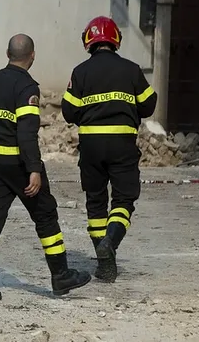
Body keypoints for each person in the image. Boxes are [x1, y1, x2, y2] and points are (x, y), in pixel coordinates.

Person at [0, 34, 92, 301]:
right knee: (45, 215)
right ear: (32, 56)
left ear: (8, 53)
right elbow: (26, 133)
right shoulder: (27, 88)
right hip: (19, 165)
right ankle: (60, 275)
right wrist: (33, 169)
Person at [60, 16, 157, 283]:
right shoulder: (131, 70)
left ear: (89, 42)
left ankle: (104, 262)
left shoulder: (80, 72)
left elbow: (68, 110)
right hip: (122, 145)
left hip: (91, 146)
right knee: (124, 200)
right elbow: (149, 104)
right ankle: (110, 243)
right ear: (116, 40)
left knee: (95, 201)